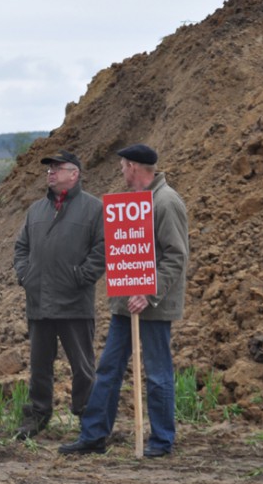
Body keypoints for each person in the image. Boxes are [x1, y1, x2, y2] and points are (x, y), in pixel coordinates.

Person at [59, 144, 189, 458]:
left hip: (153, 305)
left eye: (122, 166)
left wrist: (148, 292)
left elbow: (176, 256)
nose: (120, 171)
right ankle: (93, 436)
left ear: (133, 167)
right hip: (124, 303)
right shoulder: (134, 203)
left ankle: (160, 442)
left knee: (157, 372)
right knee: (109, 369)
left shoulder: (166, 201)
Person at [13, 151, 105, 439]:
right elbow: (21, 247)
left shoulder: (94, 209)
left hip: (74, 302)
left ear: (74, 174)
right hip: (39, 300)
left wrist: (81, 277)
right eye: (49, 169)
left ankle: (87, 417)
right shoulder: (37, 210)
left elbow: (102, 250)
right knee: (40, 365)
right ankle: (37, 416)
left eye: (57, 168)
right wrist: (25, 275)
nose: (50, 173)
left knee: (82, 366)